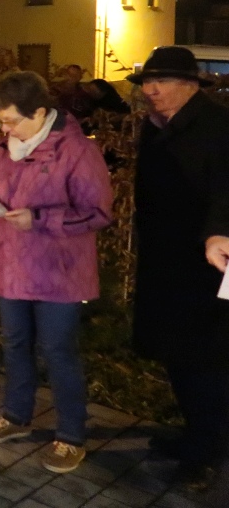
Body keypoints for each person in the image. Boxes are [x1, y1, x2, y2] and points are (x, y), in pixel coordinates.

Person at [0, 71, 112, 475]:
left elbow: (98, 212)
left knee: (58, 351)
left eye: (12, 120)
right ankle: (16, 417)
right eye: (0, 121)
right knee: (15, 344)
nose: (5, 128)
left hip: (59, 271)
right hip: (11, 265)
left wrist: (40, 219)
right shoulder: (0, 149)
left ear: (39, 111)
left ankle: (70, 435)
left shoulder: (76, 151)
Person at [131, 47, 229, 489]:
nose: (150, 91)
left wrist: (219, 232)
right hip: (166, 261)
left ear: (191, 85)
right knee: (178, 357)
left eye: (161, 82)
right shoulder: (155, 128)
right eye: (147, 83)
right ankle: (196, 435)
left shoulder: (217, 125)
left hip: (205, 265)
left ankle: (206, 453)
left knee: (206, 361)